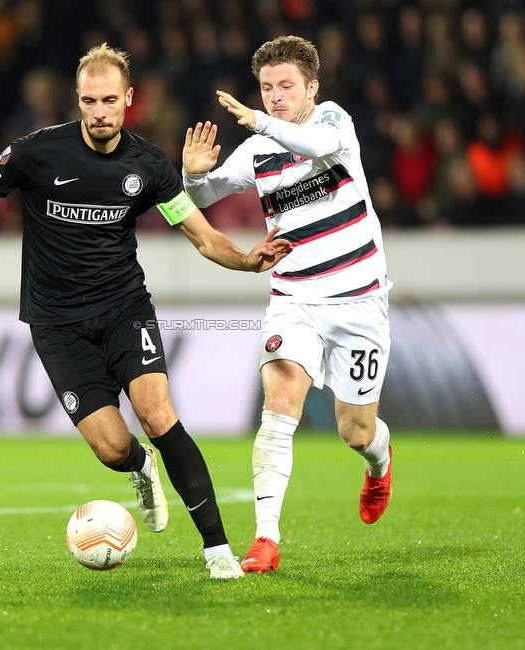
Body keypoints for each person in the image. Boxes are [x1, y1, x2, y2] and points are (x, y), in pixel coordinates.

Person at [0, 44, 292, 579]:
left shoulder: (148, 166)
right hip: (56, 325)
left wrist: (246, 260)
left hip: (125, 309)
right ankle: (139, 466)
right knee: (111, 447)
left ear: (128, 100)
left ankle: (218, 554)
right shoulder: (35, 153)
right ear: (77, 101)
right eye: (88, 101)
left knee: (158, 415)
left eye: (109, 101)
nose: (99, 112)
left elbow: (203, 237)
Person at [181, 35, 394, 574]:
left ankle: (379, 463)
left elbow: (315, 147)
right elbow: (206, 195)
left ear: (312, 88)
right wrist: (191, 173)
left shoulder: (333, 124)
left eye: (285, 87)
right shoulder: (257, 148)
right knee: (279, 405)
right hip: (293, 294)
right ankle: (266, 540)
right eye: (266, 88)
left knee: (355, 431)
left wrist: (258, 121)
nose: (275, 97)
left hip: (358, 300)